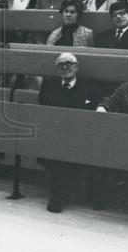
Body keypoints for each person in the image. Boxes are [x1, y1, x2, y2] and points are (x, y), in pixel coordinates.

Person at [37, 52, 101, 213]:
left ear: (77, 67)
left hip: (83, 132)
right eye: (60, 65)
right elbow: (44, 108)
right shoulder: (49, 84)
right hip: (56, 131)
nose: (65, 67)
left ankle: (72, 194)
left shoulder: (89, 85)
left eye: (69, 64)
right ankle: (58, 196)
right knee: (58, 148)